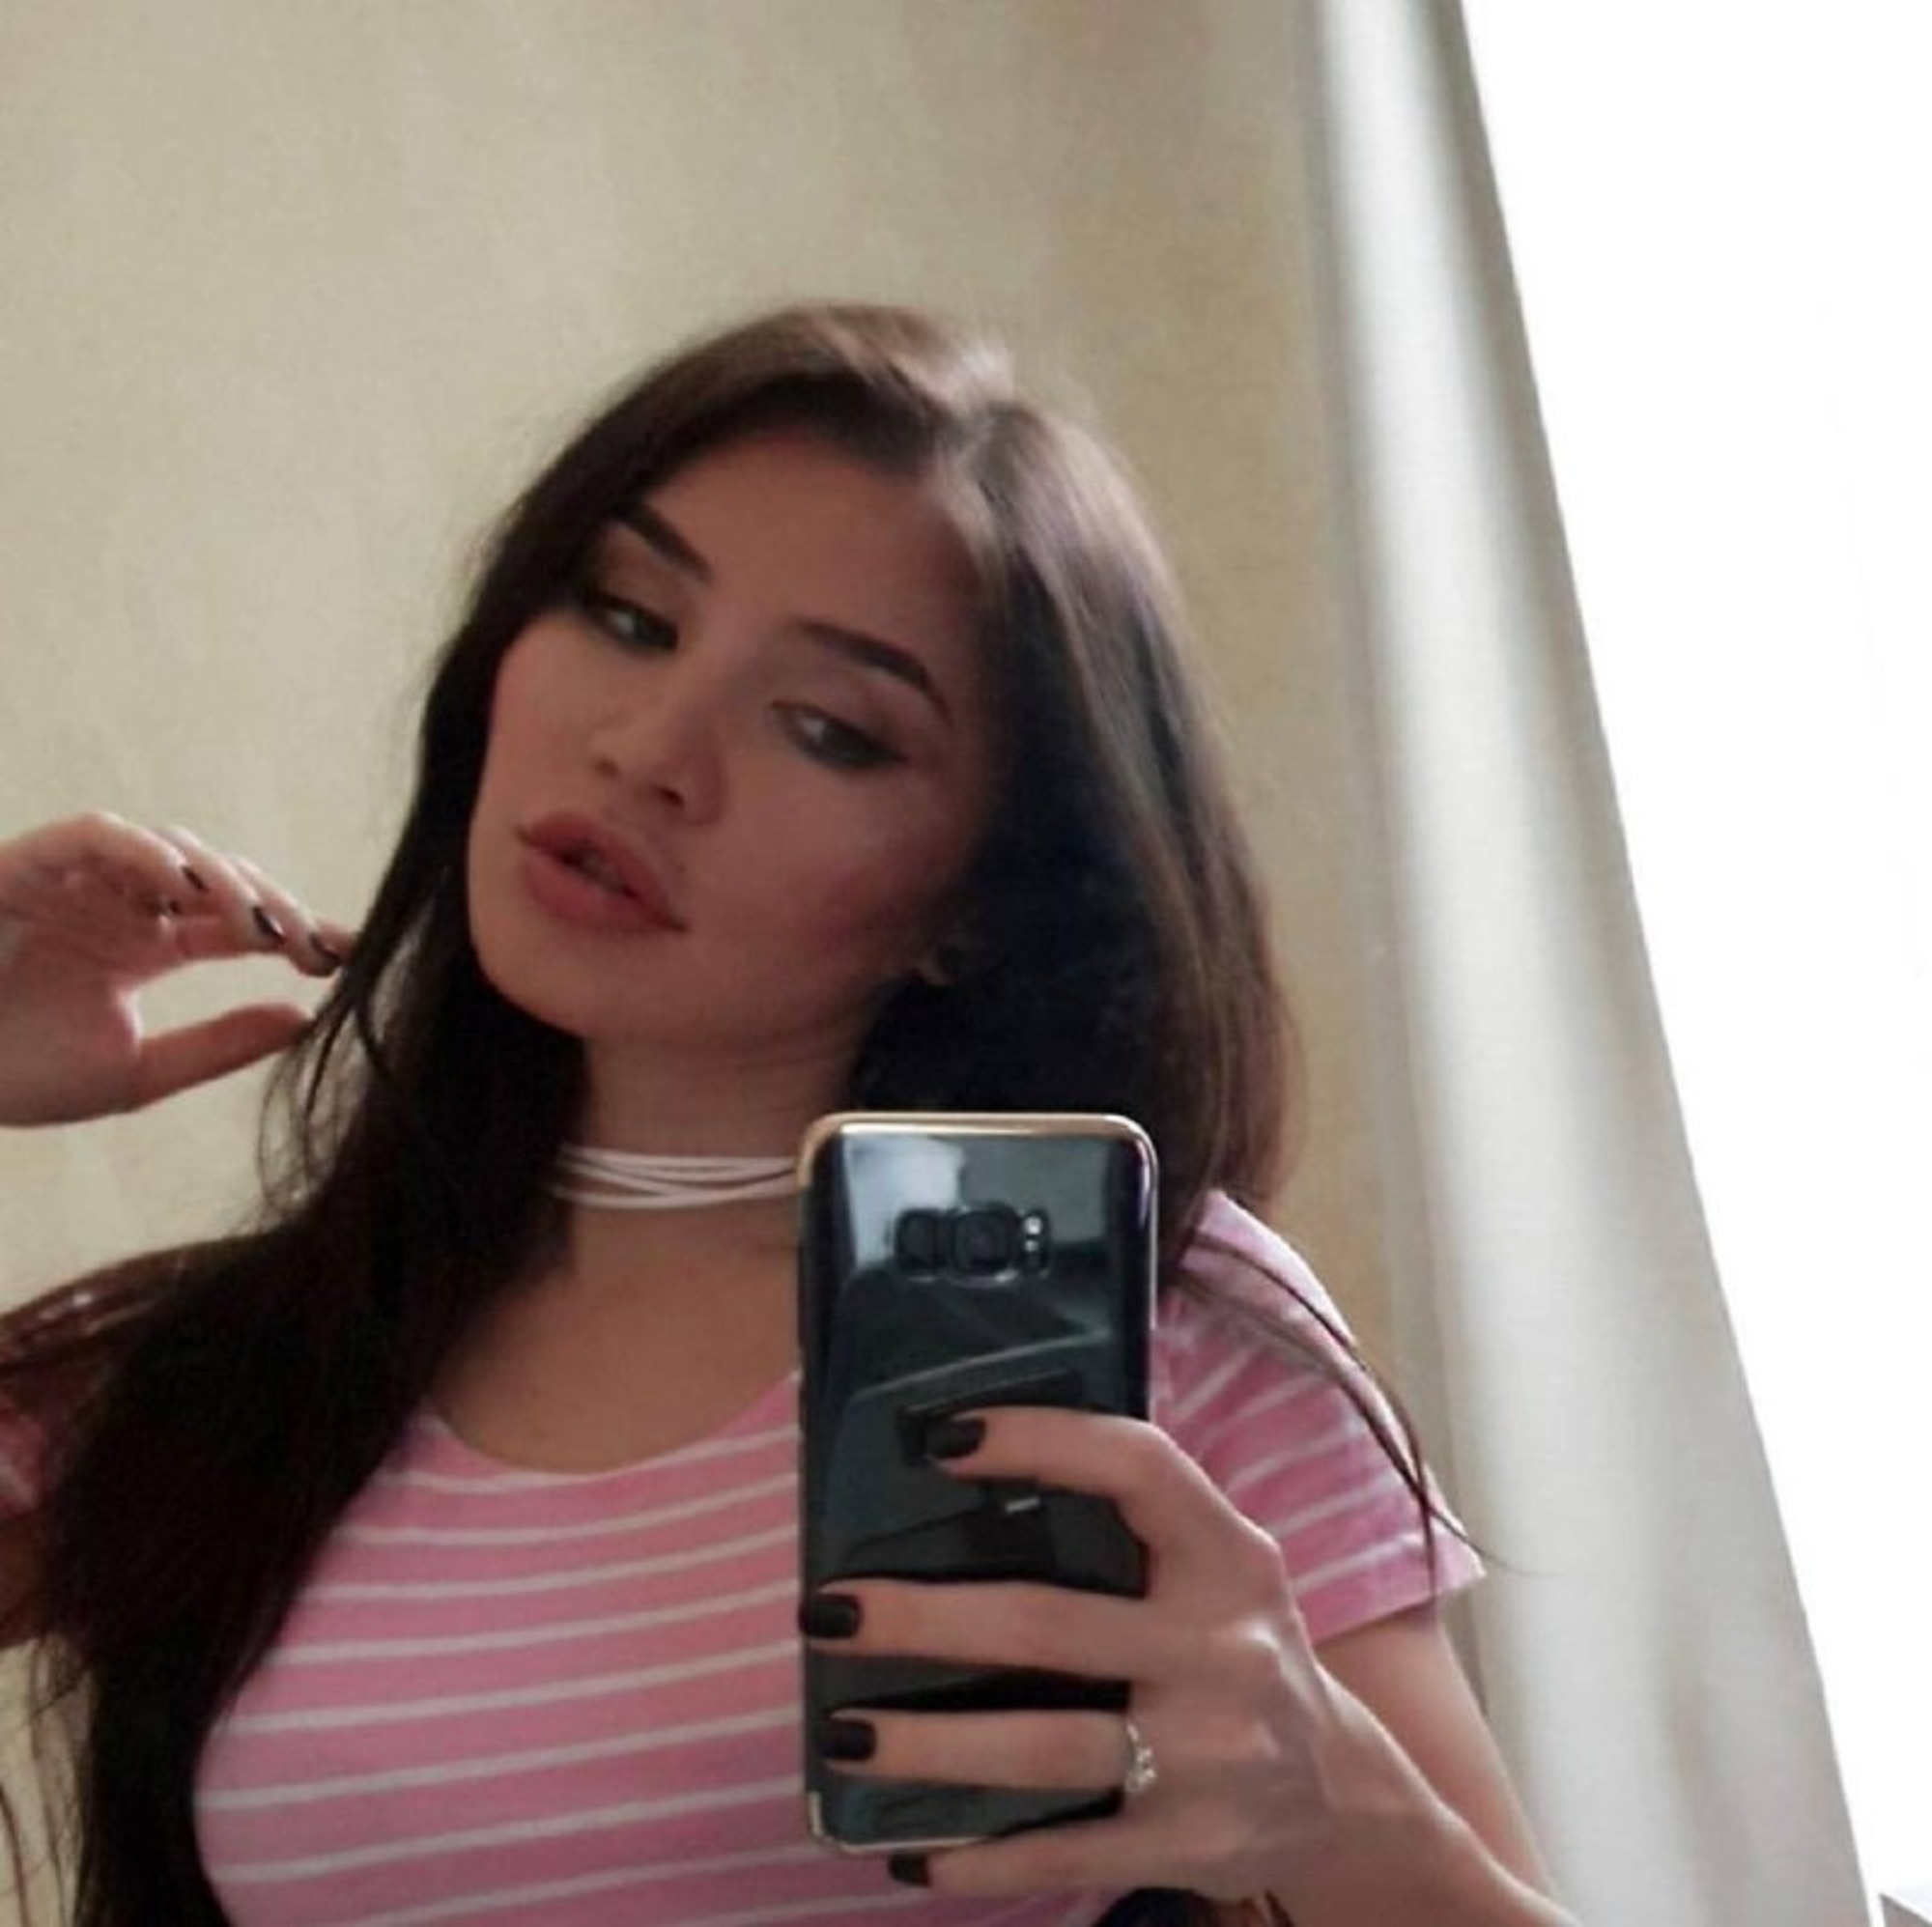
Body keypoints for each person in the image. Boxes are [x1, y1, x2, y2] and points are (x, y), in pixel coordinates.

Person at [0, 303, 1571, 1926]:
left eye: (829, 729)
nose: (650, 750)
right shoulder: (243, 1371)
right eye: (627, 616)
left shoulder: (1162, 1330)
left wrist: (1345, 1824)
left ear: (977, 897)